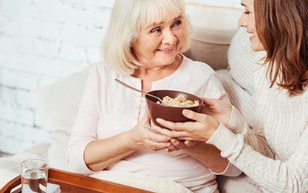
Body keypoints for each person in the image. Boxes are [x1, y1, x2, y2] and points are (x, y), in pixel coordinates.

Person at [155, 0, 308, 192]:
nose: (241, 22)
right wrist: (232, 120)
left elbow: (293, 184)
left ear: (282, 16)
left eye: (247, 12)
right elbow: (268, 151)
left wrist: (217, 135)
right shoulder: (268, 62)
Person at [66, 0, 243, 192]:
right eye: (156, 30)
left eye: (176, 23)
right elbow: (75, 160)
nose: (171, 39)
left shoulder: (202, 76)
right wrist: (131, 140)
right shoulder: (103, 74)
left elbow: (235, 167)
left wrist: (191, 144)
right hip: (112, 186)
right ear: (129, 35)